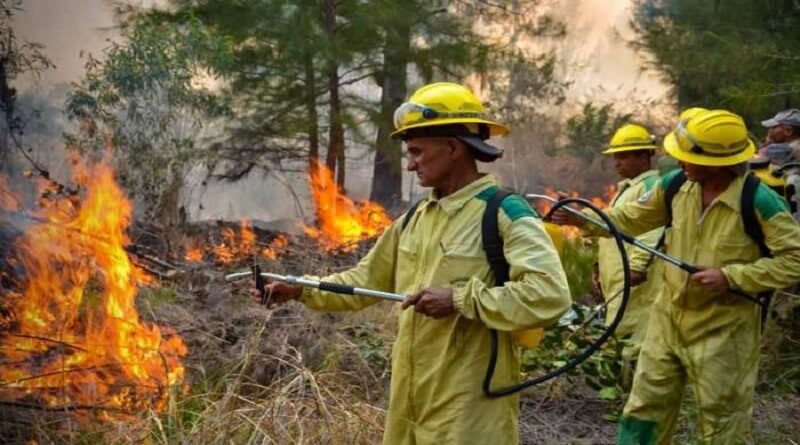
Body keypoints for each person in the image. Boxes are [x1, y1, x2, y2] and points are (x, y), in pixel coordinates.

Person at [254, 82, 571, 444]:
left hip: (468, 412)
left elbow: (550, 295)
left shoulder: (504, 212)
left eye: (417, 152)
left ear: (452, 148)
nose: (410, 164)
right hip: (409, 404)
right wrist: (300, 288)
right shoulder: (415, 218)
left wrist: (459, 299)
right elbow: (364, 280)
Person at [552, 109, 800, 444]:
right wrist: (584, 220)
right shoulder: (674, 186)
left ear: (717, 161)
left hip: (725, 331)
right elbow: (630, 218)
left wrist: (732, 276)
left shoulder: (759, 201)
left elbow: (794, 260)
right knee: (643, 411)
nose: (678, 161)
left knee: (722, 420)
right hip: (666, 322)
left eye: (686, 156)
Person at [593, 123, 662, 382]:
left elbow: (654, 228)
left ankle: (632, 392)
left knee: (634, 337)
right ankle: (618, 391)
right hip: (618, 277)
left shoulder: (652, 186)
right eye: (615, 156)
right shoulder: (629, 188)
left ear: (644, 156)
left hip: (635, 279)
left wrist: (639, 265)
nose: (616, 163)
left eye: (623, 156)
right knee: (618, 332)